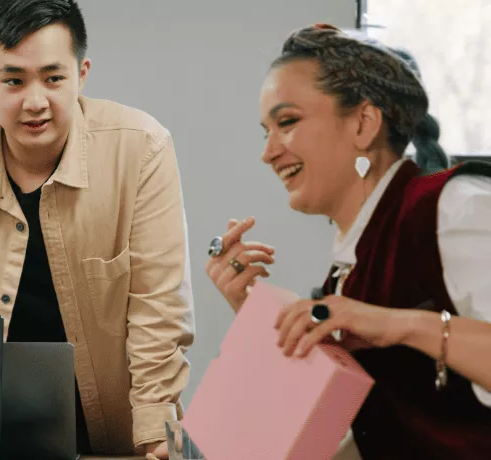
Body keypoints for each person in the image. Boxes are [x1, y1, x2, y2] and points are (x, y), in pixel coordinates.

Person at [0, 0, 194, 457]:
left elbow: (157, 310)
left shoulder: (141, 148)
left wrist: (156, 433)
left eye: (53, 78)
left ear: (82, 73)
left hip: (111, 437)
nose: (35, 101)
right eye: (14, 81)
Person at [206, 24, 491, 459]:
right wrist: (255, 311)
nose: (267, 152)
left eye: (287, 122)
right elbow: (343, 428)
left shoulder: (456, 208)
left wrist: (396, 324)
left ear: (363, 123)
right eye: (265, 131)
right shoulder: (350, 263)